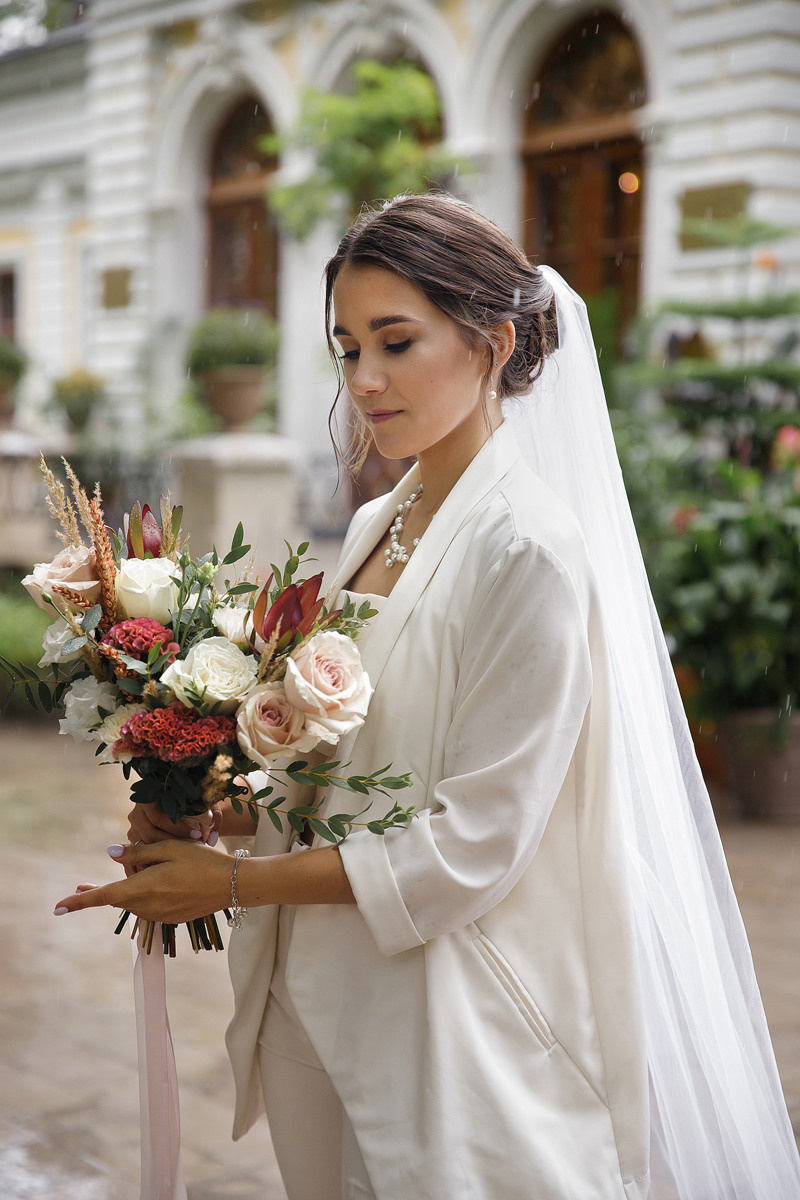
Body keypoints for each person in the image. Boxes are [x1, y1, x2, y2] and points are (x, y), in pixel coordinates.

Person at [55, 194, 800, 1200]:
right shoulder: (376, 519)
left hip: (453, 1022)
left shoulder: (527, 551)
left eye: (395, 343)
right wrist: (213, 819)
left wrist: (226, 889)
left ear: (490, 343)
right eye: (347, 347)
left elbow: (469, 846)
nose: (365, 381)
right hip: (317, 999)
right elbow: (351, 774)